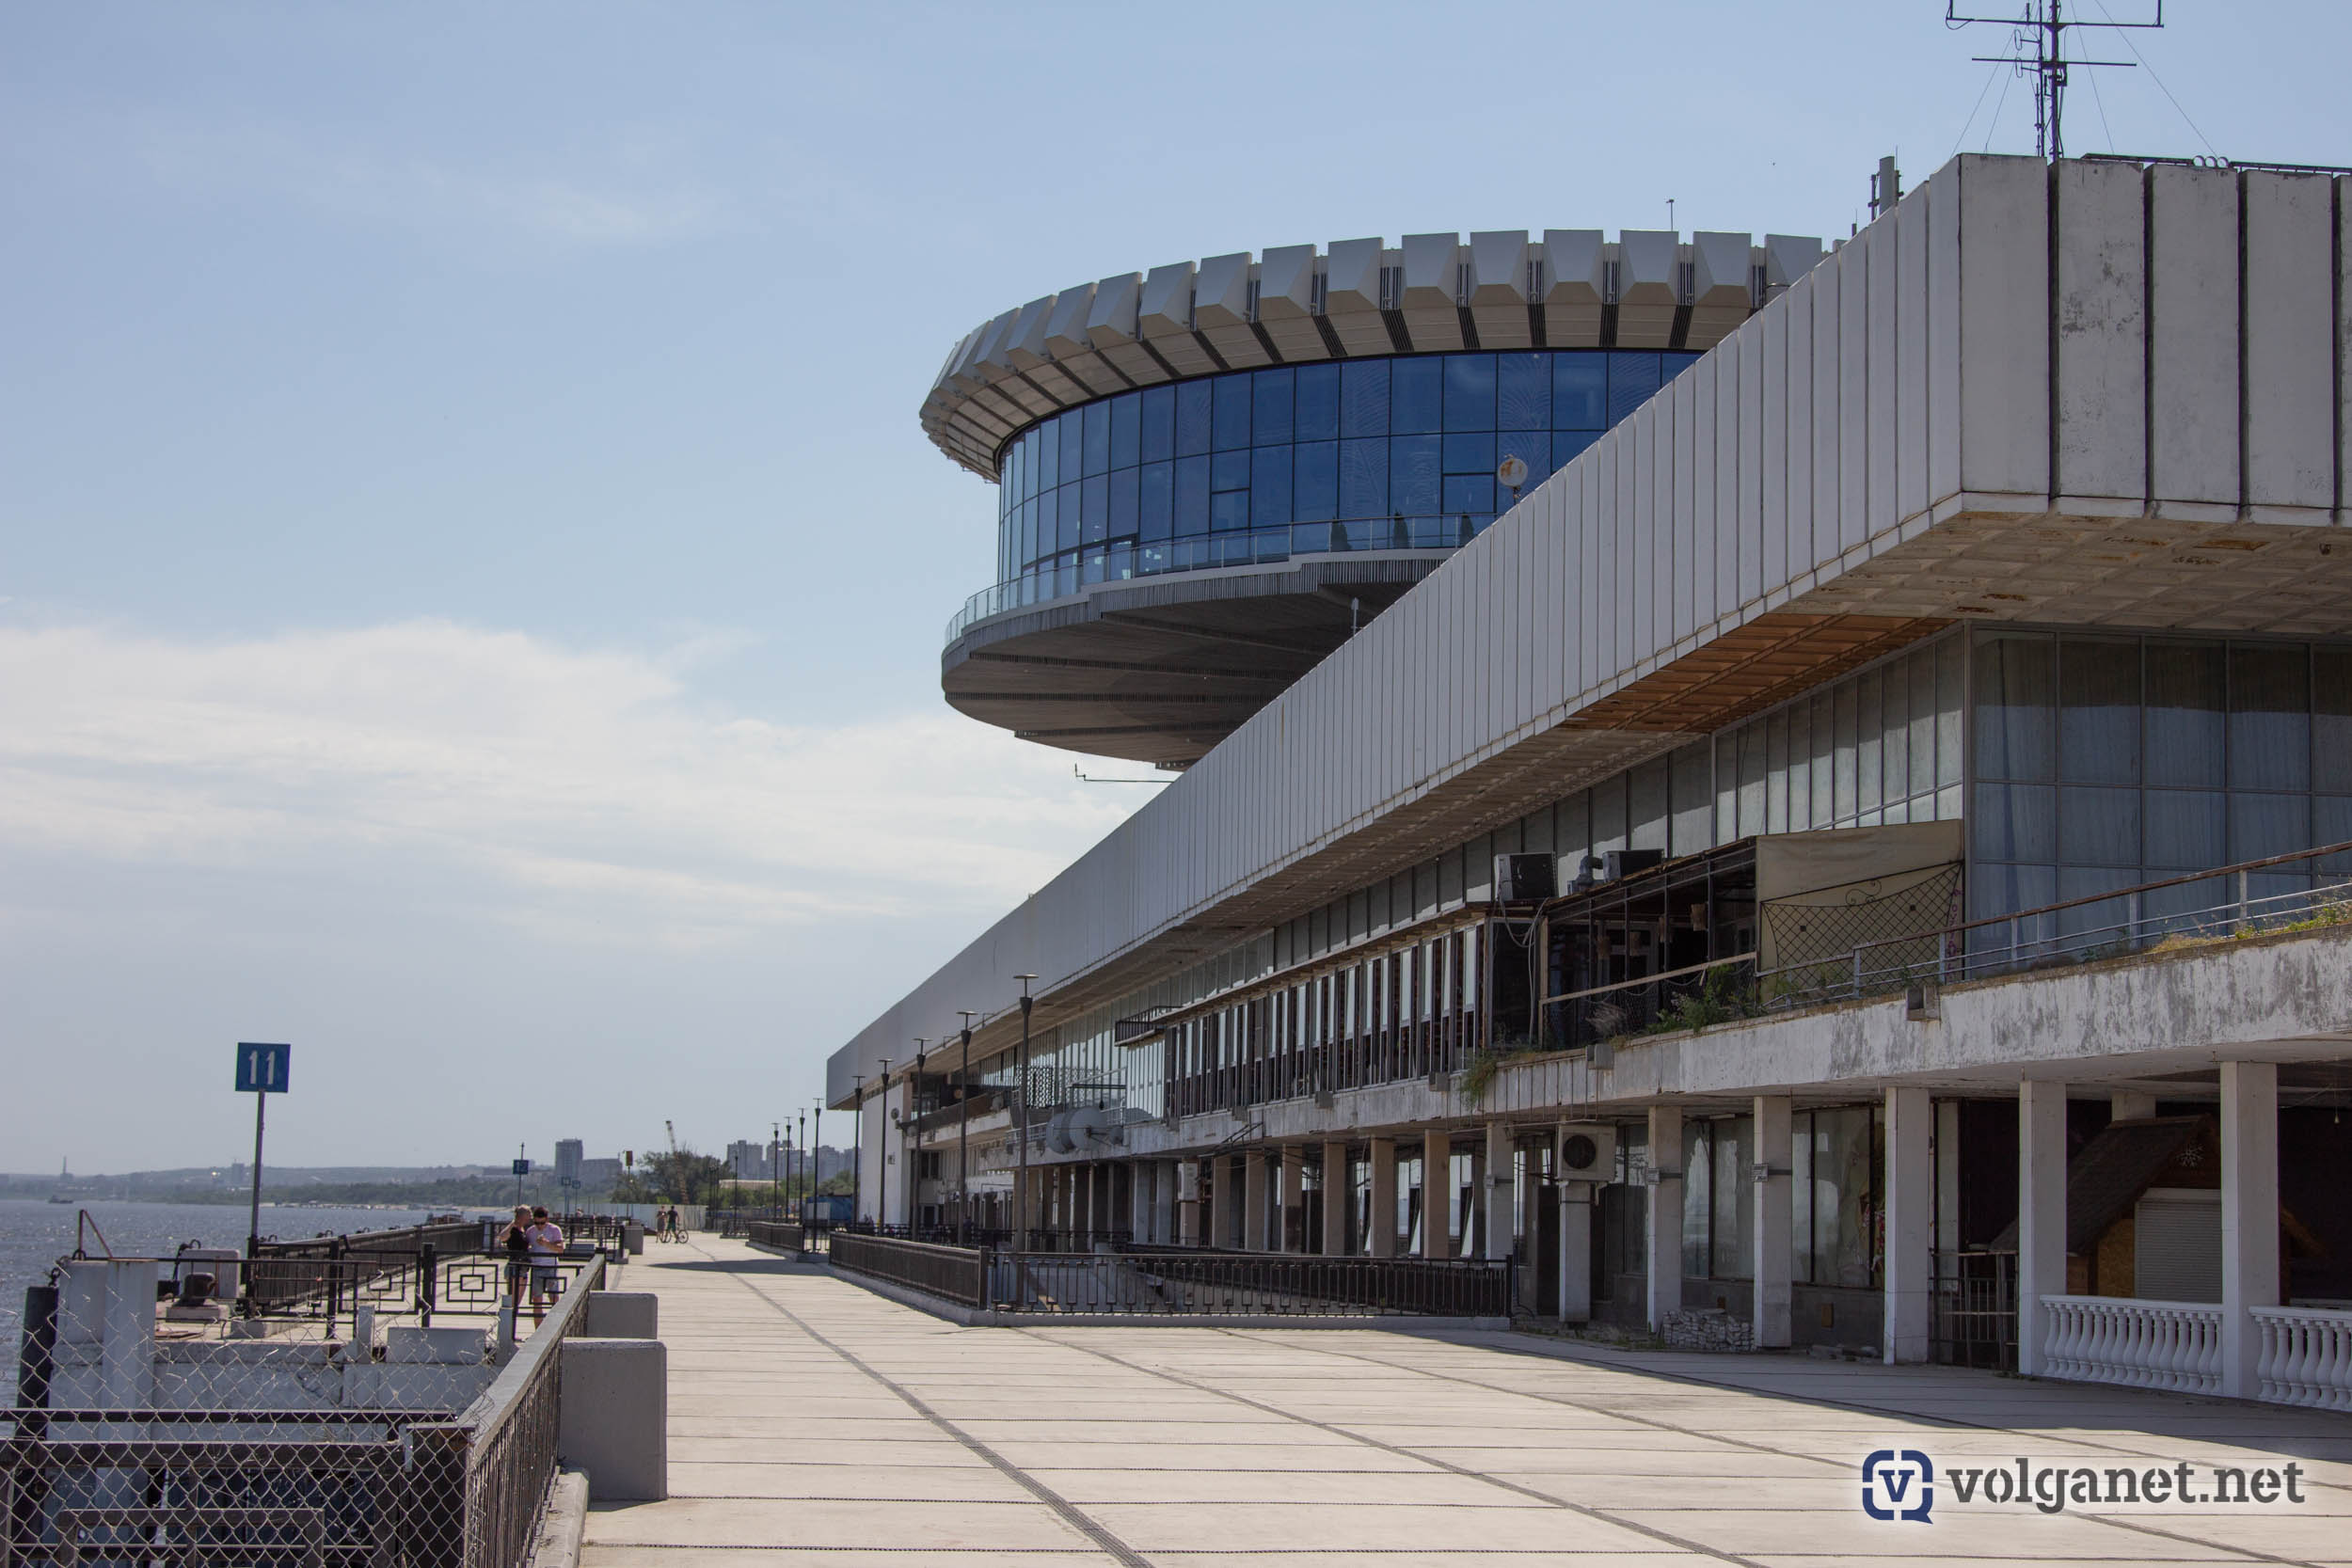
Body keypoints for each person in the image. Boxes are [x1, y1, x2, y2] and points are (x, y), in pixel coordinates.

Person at [525, 1205, 564, 1325]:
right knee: (537, 1299)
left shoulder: (554, 1230)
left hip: (550, 1267)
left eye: (542, 1223)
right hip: (536, 1268)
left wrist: (547, 1244)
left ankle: (554, 1328)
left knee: (553, 1298)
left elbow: (560, 1249)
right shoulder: (530, 1231)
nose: (539, 1226)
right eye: (537, 1223)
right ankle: (537, 1330)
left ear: (547, 1220)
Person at [500, 1206, 532, 1312]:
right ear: (521, 1216)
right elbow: (502, 1237)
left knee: (517, 1302)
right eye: (528, 1215)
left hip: (524, 1267)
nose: (530, 1218)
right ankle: (508, 1323)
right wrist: (512, 1224)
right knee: (512, 1300)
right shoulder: (513, 1228)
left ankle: (511, 1322)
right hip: (514, 1266)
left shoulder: (524, 1229)